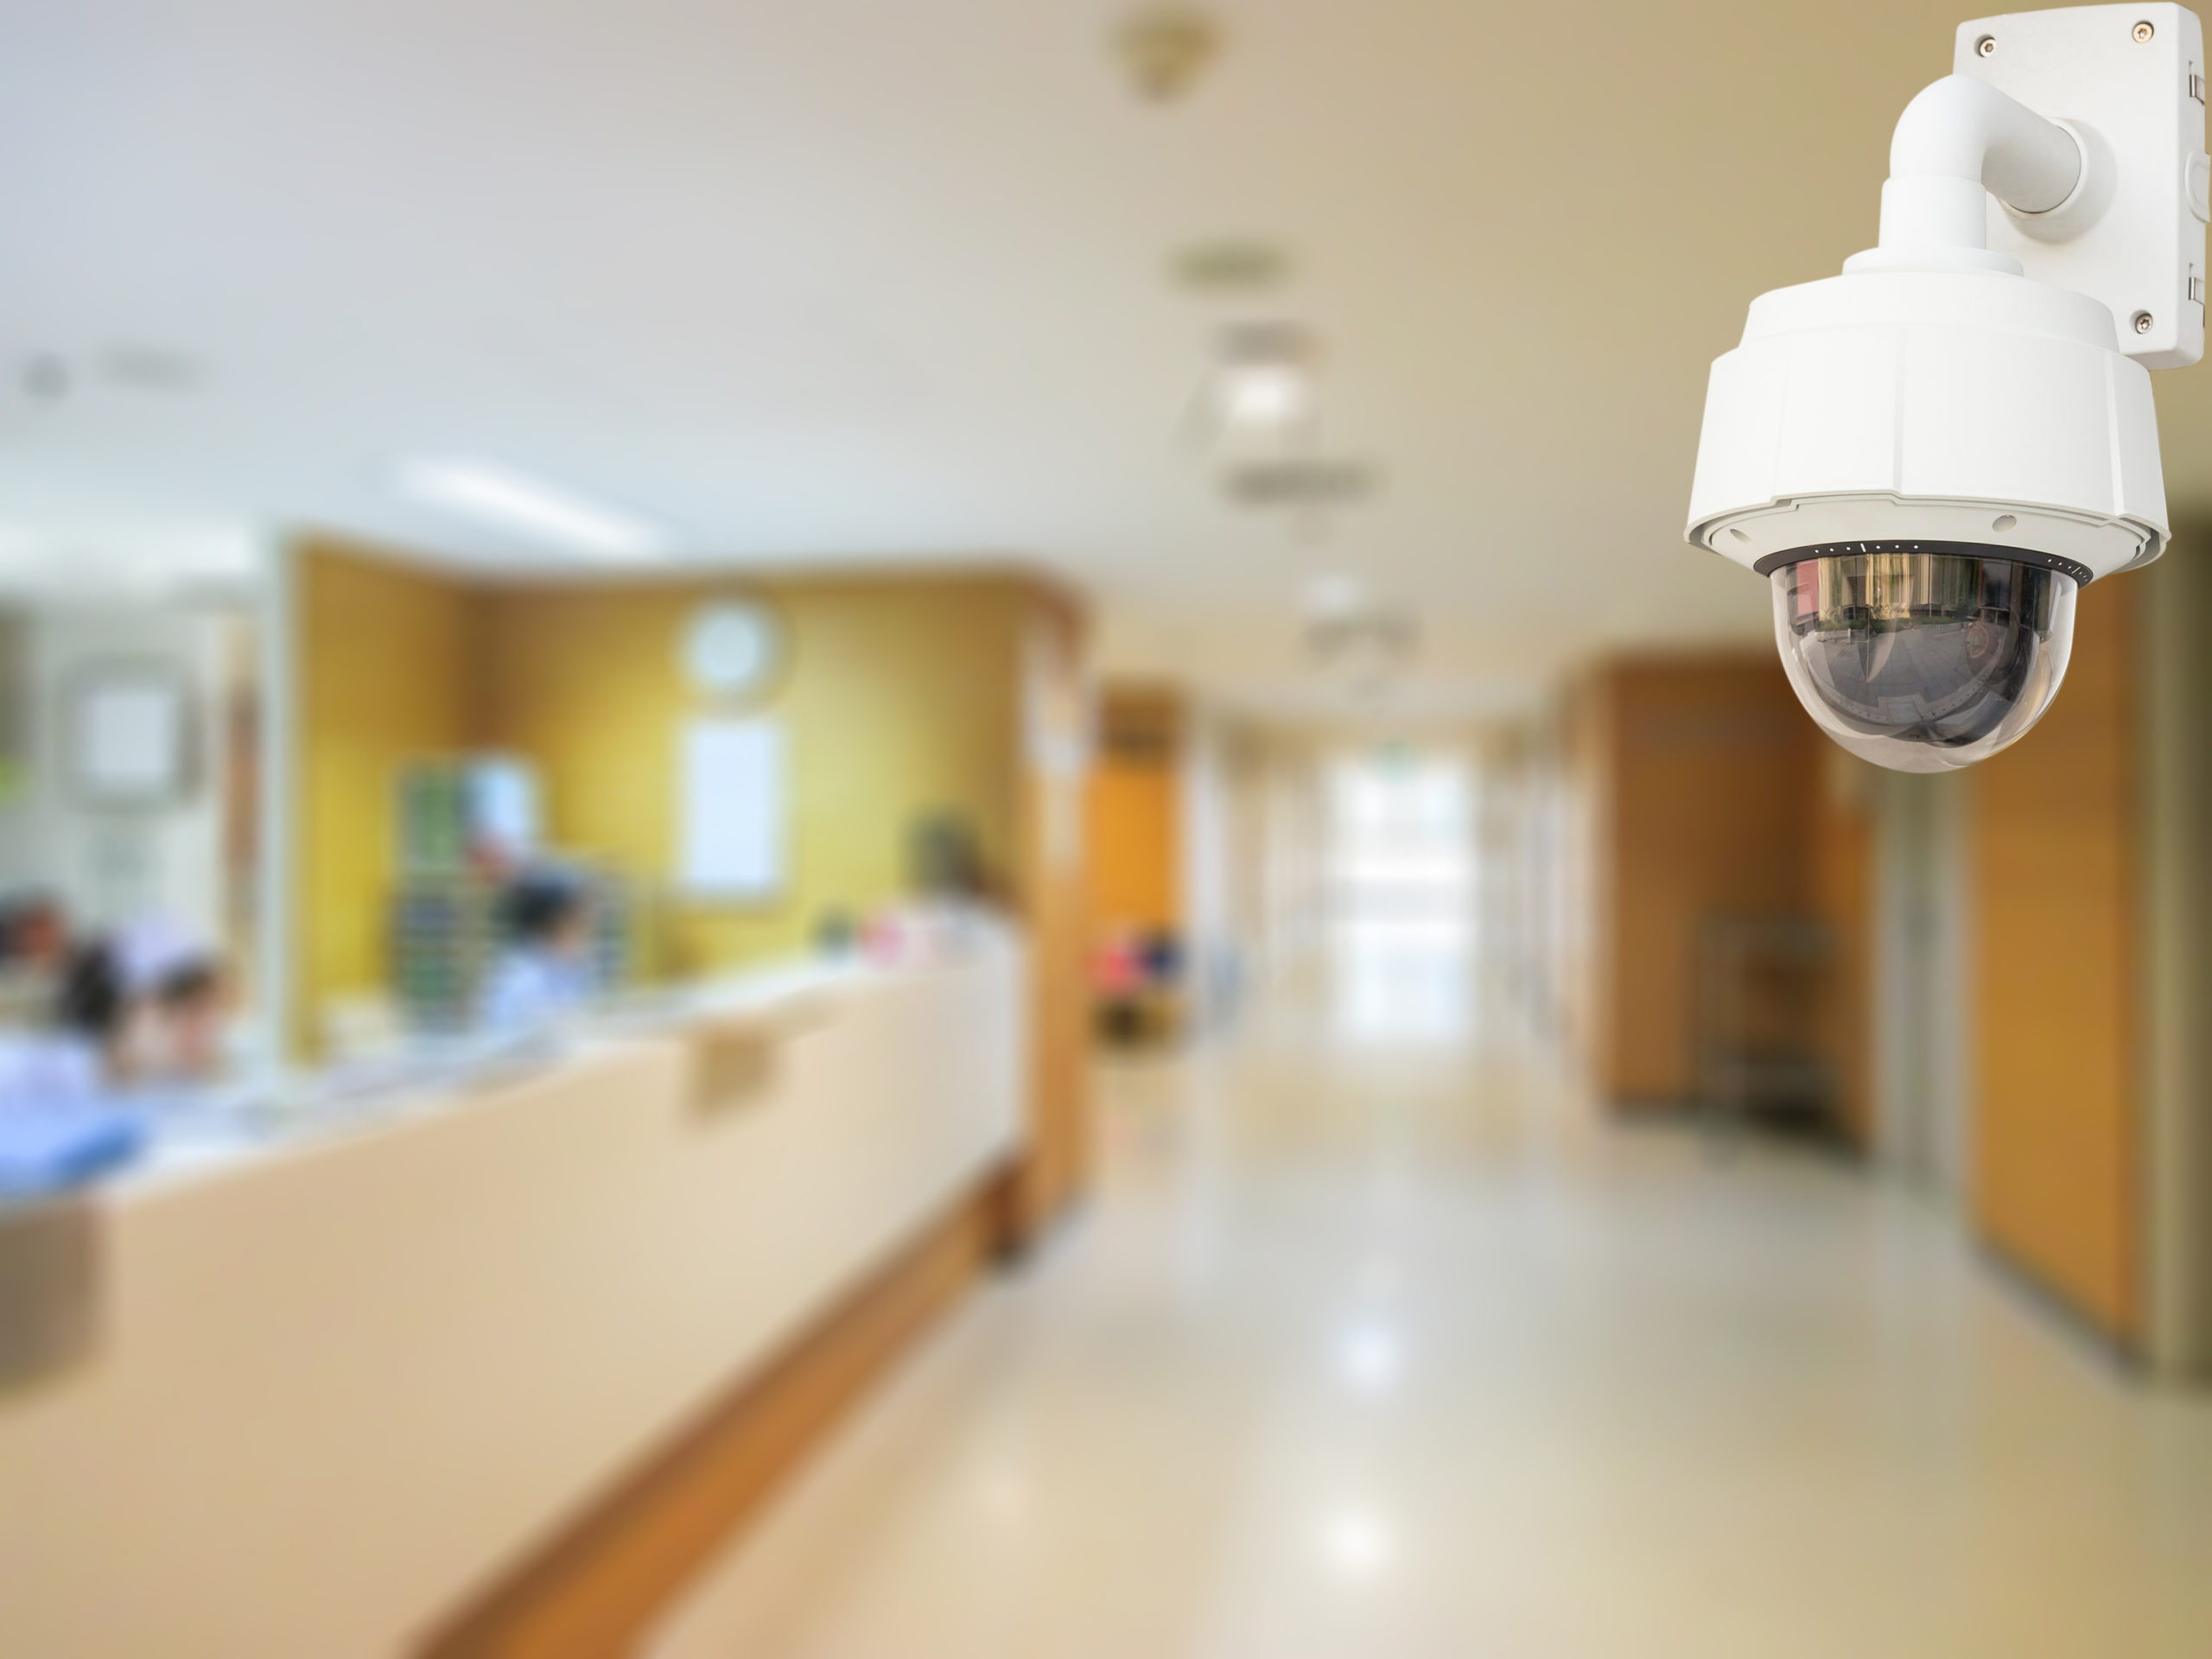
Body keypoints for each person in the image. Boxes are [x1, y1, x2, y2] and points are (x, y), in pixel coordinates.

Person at [479, 872, 598, 1033]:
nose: (589, 923)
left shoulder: (572, 969)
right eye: (580, 916)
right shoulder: (520, 983)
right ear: (554, 922)